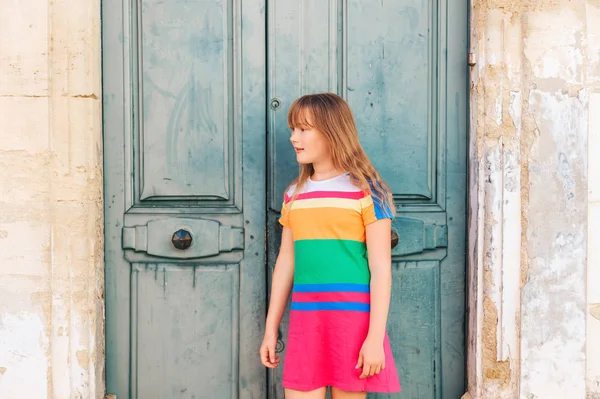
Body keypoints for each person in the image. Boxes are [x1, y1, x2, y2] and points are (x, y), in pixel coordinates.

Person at [259, 93, 401, 399]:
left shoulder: (368, 192)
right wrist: (271, 329)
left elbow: (380, 270)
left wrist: (375, 339)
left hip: (353, 323)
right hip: (306, 322)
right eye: (292, 129)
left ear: (332, 131)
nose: (293, 137)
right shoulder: (293, 195)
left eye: (303, 129)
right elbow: (286, 263)